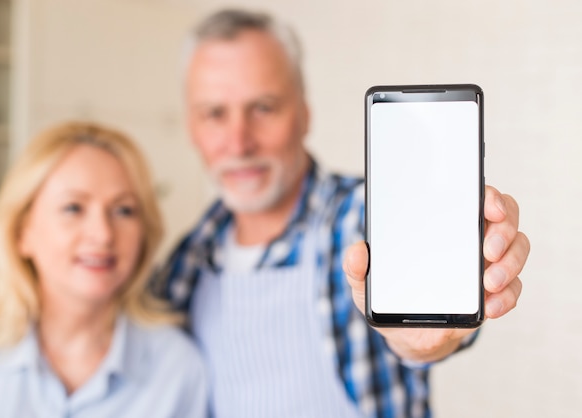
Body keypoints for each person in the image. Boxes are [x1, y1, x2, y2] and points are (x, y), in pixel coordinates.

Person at [147, 8, 529, 418]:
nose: (239, 142)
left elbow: (427, 332)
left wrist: (424, 340)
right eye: (215, 114)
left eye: (263, 108)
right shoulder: (183, 264)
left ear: (304, 114)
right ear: (191, 126)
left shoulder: (365, 217)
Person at [0, 122, 207, 417]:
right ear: (22, 233)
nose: (102, 234)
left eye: (123, 210)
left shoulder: (177, 368)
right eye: (73, 208)